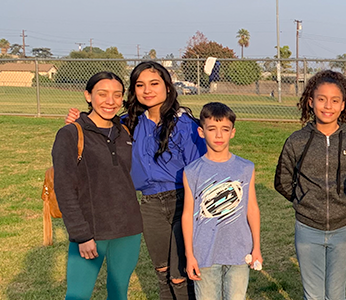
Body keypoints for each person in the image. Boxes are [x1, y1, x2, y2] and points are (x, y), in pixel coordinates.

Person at [66, 61, 206, 300]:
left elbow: (202, 170)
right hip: (149, 205)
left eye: (154, 83)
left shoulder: (186, 126)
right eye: (140, 85)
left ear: (168, 88)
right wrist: (77, 121)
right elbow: (97, 131)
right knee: (162, 272)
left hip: (182, 202)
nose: (147, 90)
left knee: (180, 274)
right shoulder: (127, 124)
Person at [274, 70, 346, 300]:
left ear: (344, 105)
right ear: (310, 101)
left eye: (335, 100)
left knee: (336, 294)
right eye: (321, 99)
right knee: (314, 295)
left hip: (343, 229)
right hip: (307, 229)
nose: (328, 106)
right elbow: (282, 180)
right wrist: (303, 199)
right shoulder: (297, 140)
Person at [54, 72, 143, 300]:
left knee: (119, 291)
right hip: (91, 230)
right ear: (88, 95)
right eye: (102, 94)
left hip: (128, 229)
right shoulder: (71, 134)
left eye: (117, 95)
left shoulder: (124, 132)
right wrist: (81, 235)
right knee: (78, 294)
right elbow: (64, 189)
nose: (110, 101)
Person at [182, 103, 262, 300]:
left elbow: (252, 209)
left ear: (232, 132)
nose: (219, 136)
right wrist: (190, 254)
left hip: (239, 252)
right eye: (212, 129)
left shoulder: (245, 168)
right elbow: (187, 215)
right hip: (205, 254)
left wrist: (257, 247)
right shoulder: (192, 172)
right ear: (201, 132)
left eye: (224, 130)